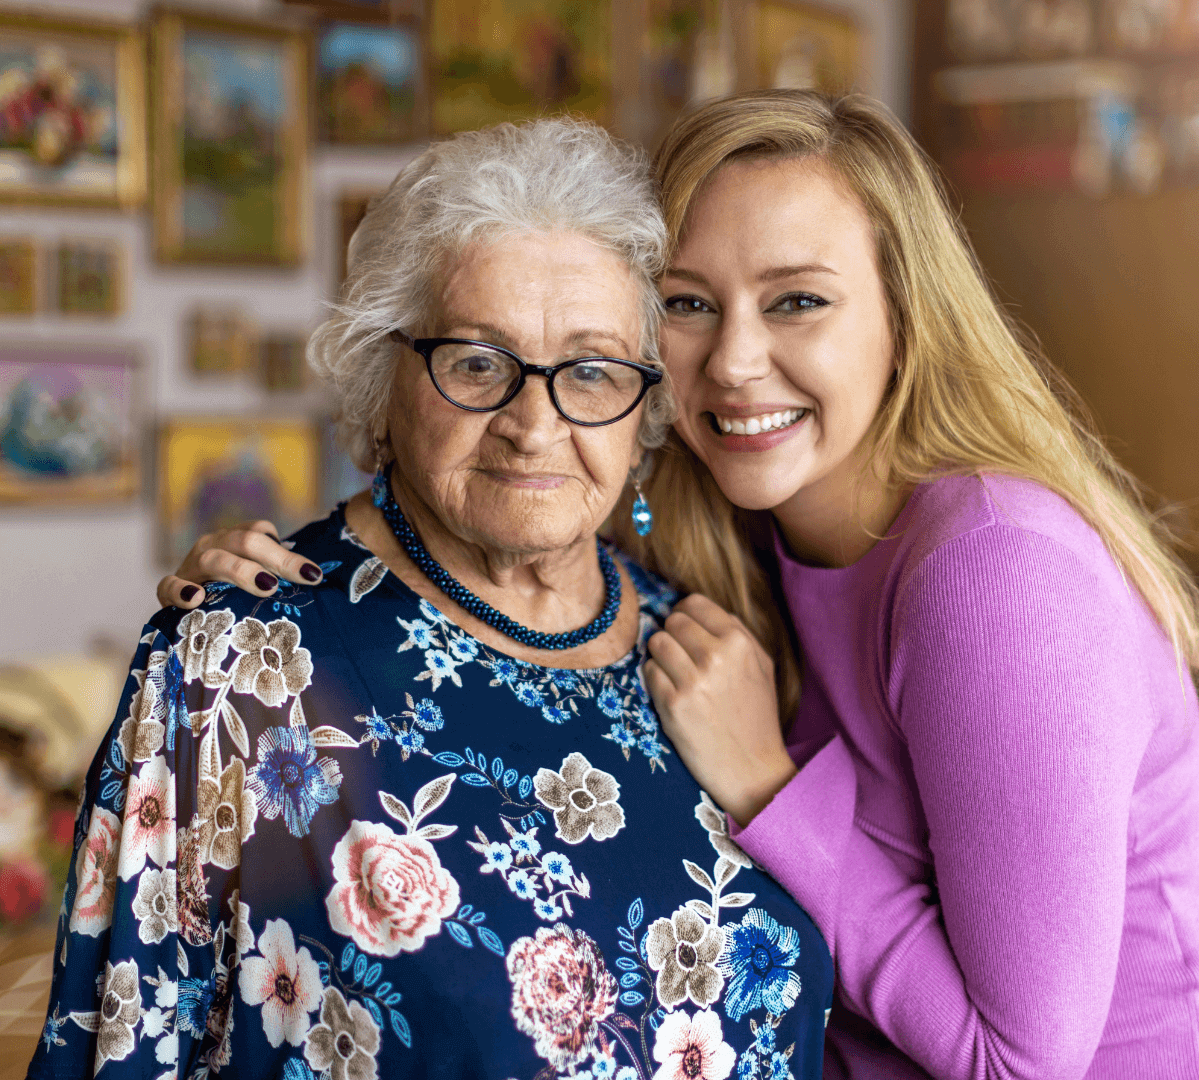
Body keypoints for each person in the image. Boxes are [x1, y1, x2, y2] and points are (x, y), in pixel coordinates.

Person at [168, 92, 1199, 1080]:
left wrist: (767, 784)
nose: (737, 361)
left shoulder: (991, 570)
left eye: (799, 300)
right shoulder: (732, 534)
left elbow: (1020, 1060)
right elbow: (499, 485)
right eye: (689, 305)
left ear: (906, 318)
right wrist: (266, 588)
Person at [27, 118, 834, 1080]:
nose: (535, 426)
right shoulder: (236, 665)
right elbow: (124, 1049)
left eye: (590, 370)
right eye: (478, 363)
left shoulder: (707, 647)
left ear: (644, 404)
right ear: (384, 379)